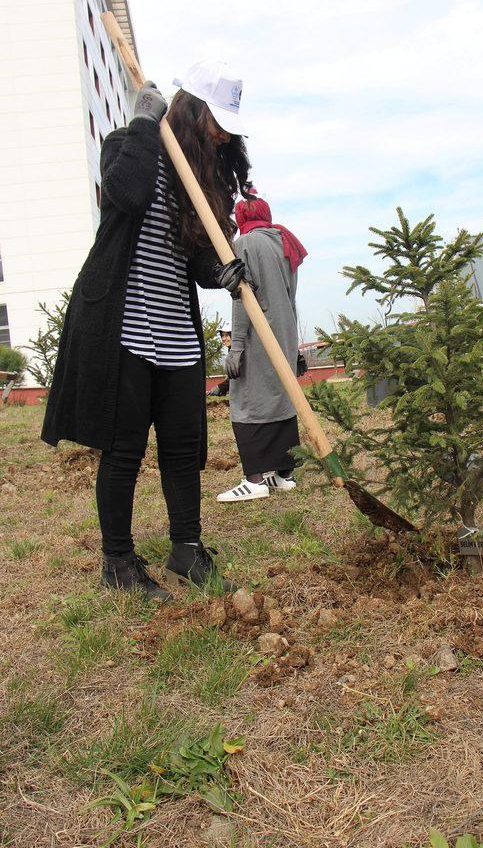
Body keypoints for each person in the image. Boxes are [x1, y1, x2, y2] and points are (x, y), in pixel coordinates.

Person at [42, 62, 252, 600]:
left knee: (184, 448)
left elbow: (199, 261)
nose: (225, 135)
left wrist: (222, 271)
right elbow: (126, 195)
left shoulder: (202, 180)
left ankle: (186, 548)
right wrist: (140, 123)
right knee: (125, 448)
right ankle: (117, 561)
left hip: (177, 332)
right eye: (218, 122)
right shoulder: (128, 148)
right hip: (124, 326)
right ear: (192, 110)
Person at [217, 190, 307, 502]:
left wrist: (237, 346)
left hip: (259, 332)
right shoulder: (284, 241)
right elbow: (291, 295)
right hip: (284, 329)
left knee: (246, 400)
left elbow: (244, 296)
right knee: (283, 394)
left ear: (241, 218)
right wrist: (294, 347)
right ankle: (284, 475)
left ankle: (253, 480)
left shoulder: (243, 244)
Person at [209, 321, 232, 397]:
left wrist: (220, 387)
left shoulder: (239, 352)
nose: (224, 338)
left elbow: (238, 378)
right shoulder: (231, 350)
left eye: (227, 335)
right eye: (222, 335)